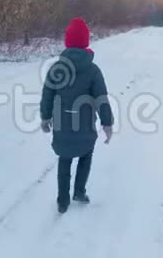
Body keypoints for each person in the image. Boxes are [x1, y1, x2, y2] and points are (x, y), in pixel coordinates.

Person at [40, 18, 114, 214]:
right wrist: (107, 122)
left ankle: (62, 200)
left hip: (62, 123)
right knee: (85, 154)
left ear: (67, 42)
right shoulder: (92, 69)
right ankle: (79, 192)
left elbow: (47, 94)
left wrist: (45, 117)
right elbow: (101, 98)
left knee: (64, 159)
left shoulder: (56, 68)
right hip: (85, 124)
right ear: (86, 41)